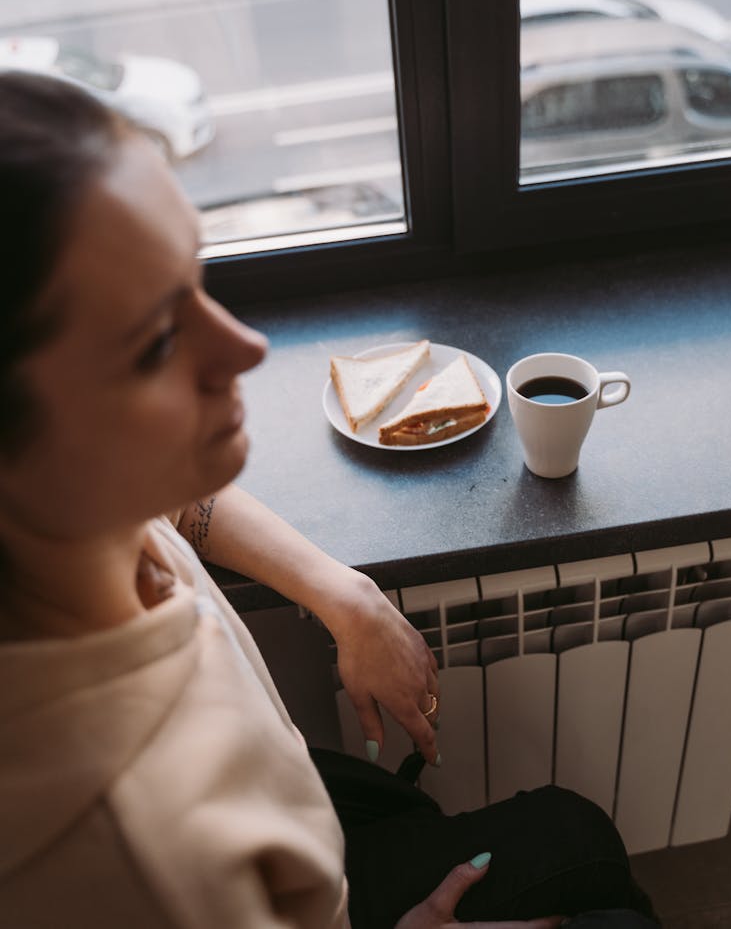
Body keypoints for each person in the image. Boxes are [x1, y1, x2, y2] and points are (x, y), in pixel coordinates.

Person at [0, 71, 658, 928]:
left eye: (198, 280)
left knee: (578, 838)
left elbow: (178, 500)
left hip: (304, 807)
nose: (245, 345)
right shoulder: (140, 858)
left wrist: (340, 592)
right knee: (601, 883)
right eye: (158, 337)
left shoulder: (77, 517)